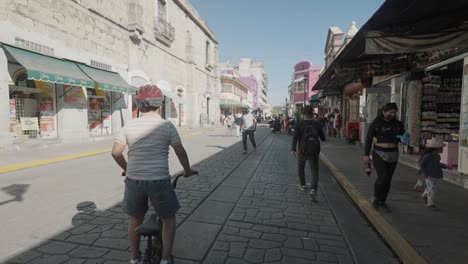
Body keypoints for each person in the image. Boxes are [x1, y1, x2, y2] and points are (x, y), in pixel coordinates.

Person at [111, 84, 193, 264]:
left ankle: (134, 258)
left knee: (135, 218)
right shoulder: (166, 126)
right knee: (168, 218)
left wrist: (127, 168)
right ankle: (165, 259)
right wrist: (187, 171)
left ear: (139, 106)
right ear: (160, 105)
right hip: (159, 181)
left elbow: (116, 153)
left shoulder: (129, 126)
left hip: (134, 181)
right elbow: (180, 152)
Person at [363, 103, 404, 213]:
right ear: (384, 112)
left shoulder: (398, 124)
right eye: (390, 112)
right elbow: (369, 139)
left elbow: (401, 137)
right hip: (379, 153)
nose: (392, 115)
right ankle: (376, 197)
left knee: (388, 179)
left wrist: (404, 138)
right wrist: (366, 154)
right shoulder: (376, 123)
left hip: (393, 154)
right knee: (383, 177)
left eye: (394, 113)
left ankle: (382, 201)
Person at [291, 107, 326, 202]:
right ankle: (313, 189)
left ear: (303, 114)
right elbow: (323, 138)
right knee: (314, 170)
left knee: (301, 168)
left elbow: (295, 138)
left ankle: (303, 185)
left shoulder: (299, 124)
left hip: (302, 150)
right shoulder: (317, 123)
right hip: (314, 151)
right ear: (312, 114)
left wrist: (293, 149)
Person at [418, 138, 445, 209]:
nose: (442, 149)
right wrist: (424, 174)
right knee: (432, 189)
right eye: (441, 147)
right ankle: (430, 203)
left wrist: (444, 166)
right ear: (436, 148)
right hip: (429, 175)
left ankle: (424, 195)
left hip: (436, 175)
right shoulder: (428, 156)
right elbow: (422, 164)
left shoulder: (437, 156)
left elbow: (437, 164)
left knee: (431, 187)